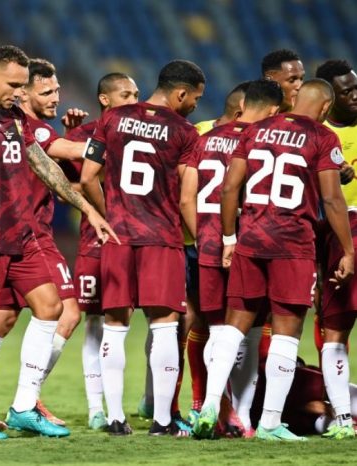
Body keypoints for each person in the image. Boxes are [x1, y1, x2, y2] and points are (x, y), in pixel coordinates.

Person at [0, 45, 117, 439]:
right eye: (14, 85)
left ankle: (24, 404)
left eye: (22, 86)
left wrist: (89, 210)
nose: (19, 92)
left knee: (50, 309)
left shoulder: (14, 116)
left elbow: (45, 165)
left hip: (21, 233)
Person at [193, 79, 354, 441]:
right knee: (287, 329)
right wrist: (347, 249)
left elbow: (231, 186)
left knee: (234, 325)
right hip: (293, 243)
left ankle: (208, 407)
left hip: (250, 238)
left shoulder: (255, 130)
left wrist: (230, 237)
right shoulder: (322, 137)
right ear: (326, 108)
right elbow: (331, 199)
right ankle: (268, 423)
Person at [80, 59, 205, 436]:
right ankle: (163, 421)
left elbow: (87, 177)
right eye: (196, 98)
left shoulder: (112, 118)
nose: (196, 105)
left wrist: (107, 217)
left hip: (119, 238)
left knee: (115, 326)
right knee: (166, 327)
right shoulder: (184, 132)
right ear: (181, 93)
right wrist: (202, 240)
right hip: (161, 239)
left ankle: (116, 418)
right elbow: (186, 201)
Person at [0, 58, 90, 431]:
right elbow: (73, 156)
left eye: (57, 90)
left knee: (2, 320)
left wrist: (71, 135)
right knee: (66, 312)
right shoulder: (31, 130)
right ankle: (28, 398)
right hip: (31, 237)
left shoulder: (28, 128)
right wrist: (113, 131)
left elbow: (69, 179)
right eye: (47, 91)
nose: (57, 97)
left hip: (17, 235)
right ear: (23, 94)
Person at [180, 79, 283, 435]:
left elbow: (185, 198)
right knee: (251, 333)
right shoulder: (258, 142)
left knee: (217, 332)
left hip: (207, 246)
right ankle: (244, 417)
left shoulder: (204, 140)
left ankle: (215, 409)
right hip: (247, 247)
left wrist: (202, 239)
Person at [63, 72, 140, 433]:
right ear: (105, 99)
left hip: (143, 241)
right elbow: (62, 183)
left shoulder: (148, 133)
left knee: (153, 321)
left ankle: (155, 403)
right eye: (126, 94)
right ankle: (98, 408)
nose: (134, 99)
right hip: (97, 241)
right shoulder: (82, 136)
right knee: (95, 320)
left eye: (137, 93)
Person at [314, 59, 357, 439]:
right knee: (334, 327)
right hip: (333, 234)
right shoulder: (319, 134)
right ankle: (341, 414)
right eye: (347, 91)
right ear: (329, 98)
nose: (356, 95)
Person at [261, 48, 305, 113]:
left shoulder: (310, 118)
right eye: (292, 80)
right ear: (269, 80)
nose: (300, 86)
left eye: (301, 79)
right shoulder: (252, 119)